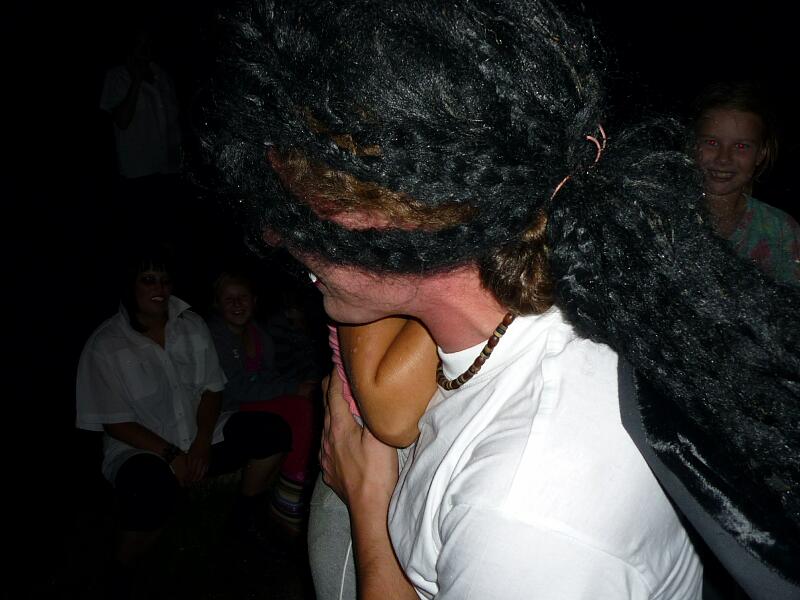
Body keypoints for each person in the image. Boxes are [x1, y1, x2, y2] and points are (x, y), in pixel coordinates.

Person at [203, 1, 800, 599]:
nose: (279, 238)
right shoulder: (558, 299)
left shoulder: (526, 519)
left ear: (389, 216)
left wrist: (369, 504)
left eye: (301, 210)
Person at [75, 244, 292, 597]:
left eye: (164, 280)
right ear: (130, 285)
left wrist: (203, 442)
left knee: (272, 432)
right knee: (150, 490)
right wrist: (172, 455)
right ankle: (121, 569)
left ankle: (242, 520)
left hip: (199, 434)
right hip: (140, 447)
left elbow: (212, 389)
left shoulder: (191, 325)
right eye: (148, 280)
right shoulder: (106, 344)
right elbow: (114, 422)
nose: (159, 288)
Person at [207, 270, 319, 535]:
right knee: (299, 408)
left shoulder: (258, 334)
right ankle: (291, 492)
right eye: (229, 299)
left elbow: (271, 377)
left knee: (306, 403)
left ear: (254, 301)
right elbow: (233, 390)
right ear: (218, 304)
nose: (237, 304)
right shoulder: (214, 336)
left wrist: (300, 385)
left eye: (243, 297)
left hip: (253, 401)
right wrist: (293, 388)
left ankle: (291, 488)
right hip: (228, 407)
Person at [693, 80, 800, 284]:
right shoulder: (661, 217)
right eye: (712, 142)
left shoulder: (781, 231)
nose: (723, 158)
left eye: (741, 146)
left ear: (761, 153)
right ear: (693, 145)